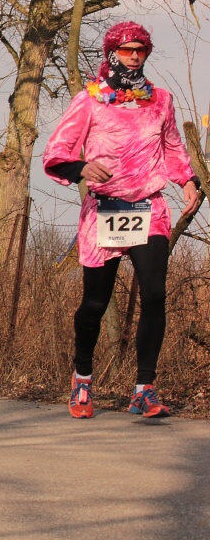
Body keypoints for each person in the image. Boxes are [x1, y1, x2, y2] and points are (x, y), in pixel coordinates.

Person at [42, 21, 200, 419]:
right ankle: (82, 380)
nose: (134, 56)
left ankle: (144, 389)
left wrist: (188, 180)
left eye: (141, 50)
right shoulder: (90, 100)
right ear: (112, 53)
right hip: (104, 211)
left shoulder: (160, 101)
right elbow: (56, 152)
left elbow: (173, 146)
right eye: (127, 50)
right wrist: (80, 167)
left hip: (149, 207)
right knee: (94, 302)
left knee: (156, 295)